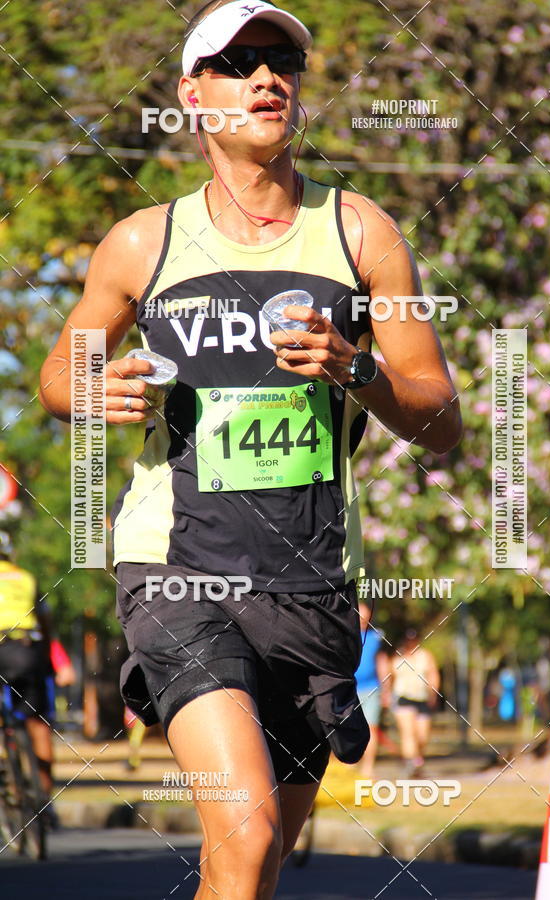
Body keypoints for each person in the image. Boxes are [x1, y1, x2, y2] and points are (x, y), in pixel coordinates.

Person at [39, 1, 462, 895]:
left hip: (311, 582)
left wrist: (359, 372)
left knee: (260, 861)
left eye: (280, 60)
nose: (266, 76)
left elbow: (444, 421)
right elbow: (56, 374)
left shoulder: (362, 234)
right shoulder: (141, 244)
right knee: (247, 823)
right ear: (193, 94)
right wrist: (88, 387)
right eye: (236, 62)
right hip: (177, 569)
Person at [0, 530, 75, 806]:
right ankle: (45, 801)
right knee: (38, 724)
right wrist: (47, 664)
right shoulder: (26, 578)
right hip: (25, 650)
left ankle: (8, 782)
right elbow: (46, 625)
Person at [389, 628, 439, 777]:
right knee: (408, 733)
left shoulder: (425, 656)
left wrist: (433, 693)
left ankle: (416, 759)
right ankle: (411, 764)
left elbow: (433, 674)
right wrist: (387, 694)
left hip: (422, 698)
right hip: (403, 698)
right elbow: (390, 677)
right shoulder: (397, 657)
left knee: (422, 735)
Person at [354, 600, 389, 779]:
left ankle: (368, 768)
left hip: (371, 689)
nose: (362, 618)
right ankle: (347, 768)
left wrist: (386, 690)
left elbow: (382, 663)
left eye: (365, 616)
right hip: (349, 689)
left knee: (371, 729)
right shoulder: (343, 635)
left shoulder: (376, 637)